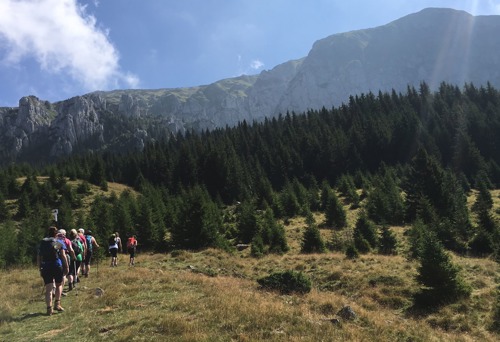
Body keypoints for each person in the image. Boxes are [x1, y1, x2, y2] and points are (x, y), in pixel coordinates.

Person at [37, 226, 69, 315]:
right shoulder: (58, 241)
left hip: (46, 266)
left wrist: (40, 267)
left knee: (49, 289)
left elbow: (39, 256)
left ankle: (49, 309)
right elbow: (63, 255)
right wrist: (66, 266)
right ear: (56, 234)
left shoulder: (42, 242)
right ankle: (57, 304)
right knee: (59, 285)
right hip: (56, 265)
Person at [57, 229, 75, 294]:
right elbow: (70, 249)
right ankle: (61, 289)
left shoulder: (55, 240)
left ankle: (55, 289)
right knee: (65, 273)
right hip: (65, 256)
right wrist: (73, 256)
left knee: (56, 274)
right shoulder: (66, 240)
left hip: (56, 258)